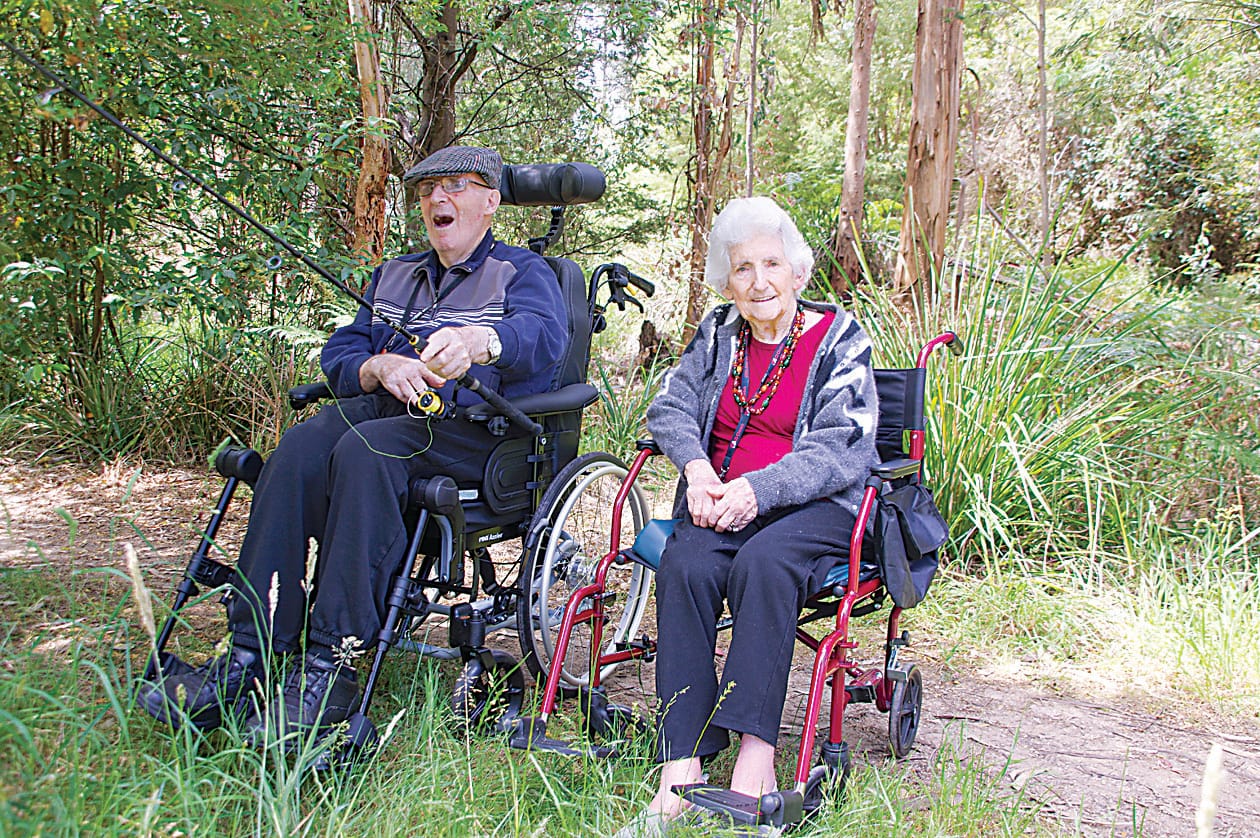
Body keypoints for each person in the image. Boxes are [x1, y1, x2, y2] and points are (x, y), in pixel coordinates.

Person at [136, 146, 569, 744]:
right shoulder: (394, 274)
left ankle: (330, 669)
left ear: (491, 201)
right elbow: (342, 351)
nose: (437, 200)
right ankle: (251, 656)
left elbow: (541, 338)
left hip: (476, 432)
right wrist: (377, 366)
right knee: (296, 452)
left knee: (366, 454)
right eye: (426, 192)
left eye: (455, 187)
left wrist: (476, 342)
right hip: (388, 410)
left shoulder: (524, 273)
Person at [621, 196, 879, 834]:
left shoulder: (839, 338)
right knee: (683, 560)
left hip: (814, 507)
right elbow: (671, 408)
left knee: (766, 564)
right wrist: (698, 470)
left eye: (772, 264)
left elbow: (841, 446)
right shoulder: (718, 333)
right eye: (743, 268)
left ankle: (754, 763)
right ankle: (680, 768)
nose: (759, 281)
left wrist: (758, 490)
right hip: (722, 500)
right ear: (726, 279)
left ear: (798, 272)